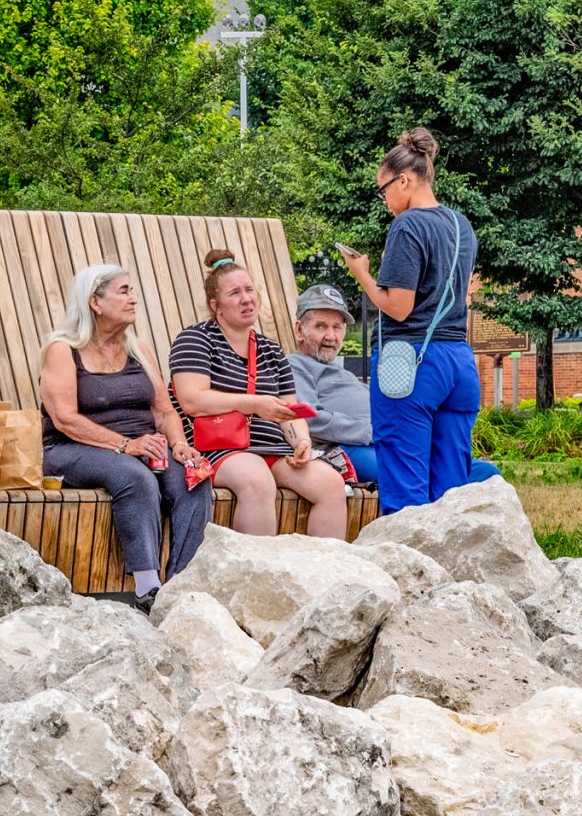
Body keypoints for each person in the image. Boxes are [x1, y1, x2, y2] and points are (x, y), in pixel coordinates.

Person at [37, 264, 214, 607]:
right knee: (134, 476)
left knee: (195, 477)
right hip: (72, 448)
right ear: (95, 302)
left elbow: (163, 411)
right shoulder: (63, 349)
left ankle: (179, 587)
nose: (134, 298)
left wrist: (179, 445)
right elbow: (64, 419)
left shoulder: (138, 349)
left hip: (142, 448)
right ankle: (147, 588)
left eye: (132, 290)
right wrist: (124, 445)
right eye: (124, 291)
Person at [338, 127, 482, 512]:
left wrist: (362, 274)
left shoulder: (407, 226)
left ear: (403, 180)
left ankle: (409, 571)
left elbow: (399, 307)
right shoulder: (460, 225)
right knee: (451, 495)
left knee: (405, 489)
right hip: (458, 362)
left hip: (411, 362)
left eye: (383, 189)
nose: (384, 199)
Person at [170, 250, 349, 539]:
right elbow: (192, 400)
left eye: (249, 290)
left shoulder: (271, 349)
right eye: (235, 293)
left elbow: (290, 409)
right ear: (216, 305)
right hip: (219, 448)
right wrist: (253, 404)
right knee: (257, 481)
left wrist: (301, 442)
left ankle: (320, 576)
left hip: (273, 450)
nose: (246, 298)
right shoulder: (195, 339)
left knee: (330, 483)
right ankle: (257, 581)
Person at [289, 283, 377, 485]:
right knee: (413, 477)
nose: (331, 336)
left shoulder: (342, 373)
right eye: (321, 326)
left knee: (458, 470)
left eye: (337, 327)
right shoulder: (295, 365)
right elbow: (309, 418)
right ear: (299, 330)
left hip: (385, 440)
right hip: (347, 447)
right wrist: (372, 431)